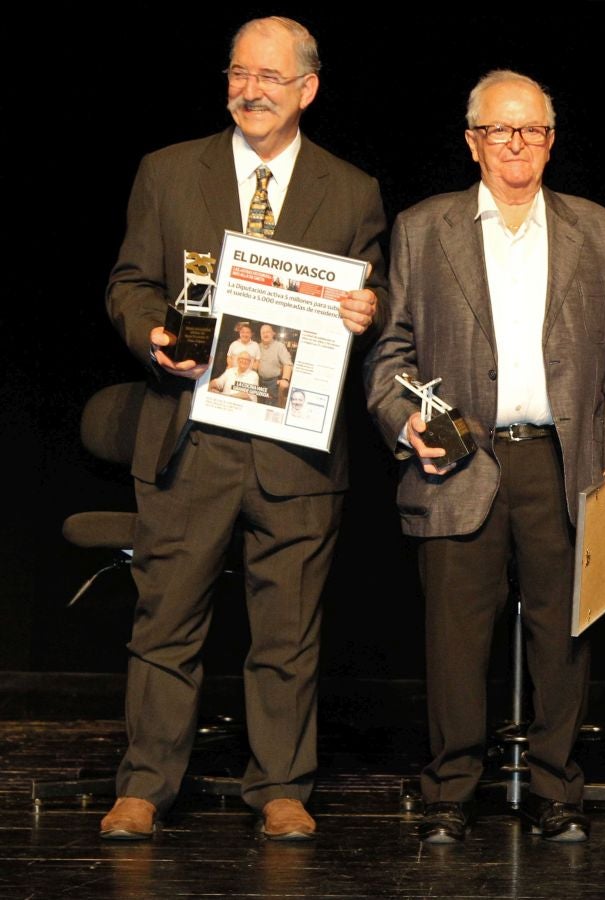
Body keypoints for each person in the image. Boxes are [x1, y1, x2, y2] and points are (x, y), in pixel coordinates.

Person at [99, 15, 386, 842]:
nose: (249, 90)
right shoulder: (167, 172)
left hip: (294, 448)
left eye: (268, 77)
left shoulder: (352, 189)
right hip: (189, 434)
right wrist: (151, 331)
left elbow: (372, 298)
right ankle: (145, 785)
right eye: (237, 73)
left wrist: (369, 309)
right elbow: (128, 283)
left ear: (308, 89)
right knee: (164, 623)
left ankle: (282, 789)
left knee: (288, 631)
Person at [364, 70, 605, 846]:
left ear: (551, 142)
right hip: (456, 464)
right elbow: (389, 356)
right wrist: (403, 426)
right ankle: (449, 791)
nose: (515, 144)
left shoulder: (600, 228)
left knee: (565, 637)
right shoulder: (424, 229)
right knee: (455, 640)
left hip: (567, 463)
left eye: (530, 130)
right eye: (498, 130)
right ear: (472, 142)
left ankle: (558, 789)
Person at [256, 324, 293, 405]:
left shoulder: (279, 346)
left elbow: (287, 364)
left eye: (268, 332)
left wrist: (285, 379)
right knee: (258, 403)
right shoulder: (257, 346)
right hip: (259, 381)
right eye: (263, 332)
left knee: (271, 404)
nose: (265, 334)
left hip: (273, 383)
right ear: (260, 335)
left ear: (273, 333)